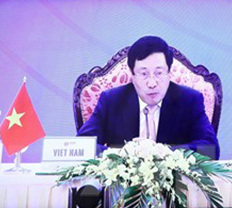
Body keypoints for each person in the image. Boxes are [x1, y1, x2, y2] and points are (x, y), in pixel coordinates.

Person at [78, 35, 220, 159]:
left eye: (159, 73)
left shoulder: (189, 100)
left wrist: (163, 153)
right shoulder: (112, 100)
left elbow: (211, 149)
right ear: (132, 75)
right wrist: (124, 154)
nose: (152, 84)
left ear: (169, 73)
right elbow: (82, 146)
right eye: (144, 74)